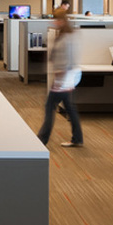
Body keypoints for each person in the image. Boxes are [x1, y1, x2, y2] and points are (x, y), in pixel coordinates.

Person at [36, 8, 83, 148]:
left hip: (64, 78)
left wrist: (59, 81)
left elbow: (67, 60)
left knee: (49, 106)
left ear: (62, 20)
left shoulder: (66, 38)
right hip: (68, 77)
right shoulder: (67, 34)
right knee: (70, 108)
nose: (54, 22)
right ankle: (77, 138)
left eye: (56, 19)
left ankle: (42, 139)